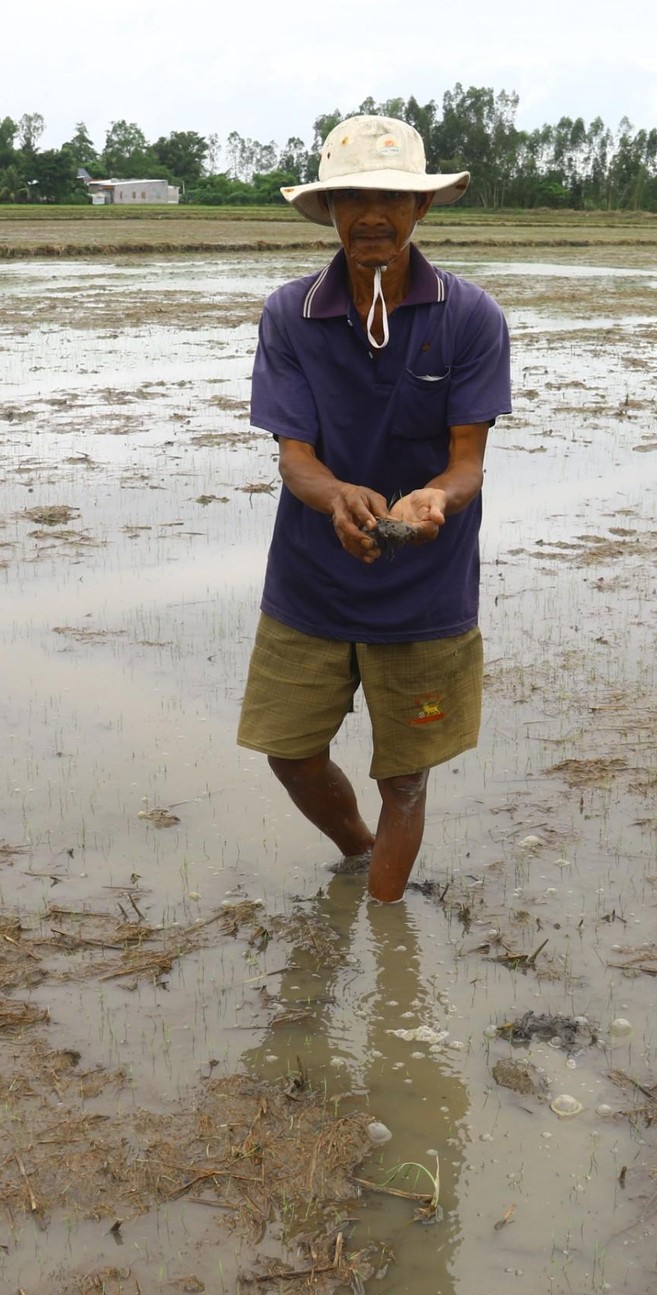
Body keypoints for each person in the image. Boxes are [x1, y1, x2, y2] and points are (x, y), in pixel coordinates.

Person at [237, 114, 511, 904]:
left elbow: (467, 465)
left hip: (426, 584)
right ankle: (360, 858)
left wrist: (431, 500)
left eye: (391, 197)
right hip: (311, 582)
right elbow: (295, 457)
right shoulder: (290, 314)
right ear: (328, 210)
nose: (372, 214)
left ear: (421, 210)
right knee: (289, 752)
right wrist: (337, 498)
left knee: (406, 778)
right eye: (352, 196)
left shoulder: (470, 318)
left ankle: (385, 920)